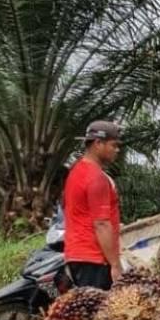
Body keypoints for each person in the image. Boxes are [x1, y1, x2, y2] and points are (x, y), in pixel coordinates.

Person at [62, 120, 122, 290]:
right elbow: (101, 224)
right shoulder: (96, 178)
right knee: (103, 314)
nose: (117, 150)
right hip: (94, 259)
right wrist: (115, 264)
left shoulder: (76, 171)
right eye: (114, 145)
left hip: (77, 255)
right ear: (98, 143)